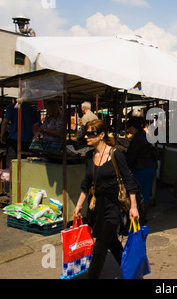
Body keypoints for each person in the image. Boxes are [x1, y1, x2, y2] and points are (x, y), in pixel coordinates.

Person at [74, 119, 141, 279]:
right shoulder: (90, 156)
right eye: (86, 133)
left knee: (100, 247)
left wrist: (133, 206)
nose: (86, 137)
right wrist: (78, 205)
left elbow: (129, 180)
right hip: (96, 207)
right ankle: (133, 273)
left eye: (90, 133)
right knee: (112, 243)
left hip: (113, 206)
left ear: (102, 135)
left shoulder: (116, 154)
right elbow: (87, 182)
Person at [126, 116, 157, 223]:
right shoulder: (145, 136)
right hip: (150, 168)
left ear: (132, 127)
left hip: (141, 170)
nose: (128, 130)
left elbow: (131, 157)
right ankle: (143, 217)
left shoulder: (137, 139)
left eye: (128, 127)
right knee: (146, 193)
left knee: (139, 195)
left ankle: (140, 218)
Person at [0, 101, 41, 169]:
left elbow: (5, 122)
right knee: (25, 163)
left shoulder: (12, 107)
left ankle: (11, 178)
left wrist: (1, 135)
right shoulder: (33, 110)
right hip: (28, 140)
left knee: (11, 162)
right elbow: (37, 126)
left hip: (14, 139)